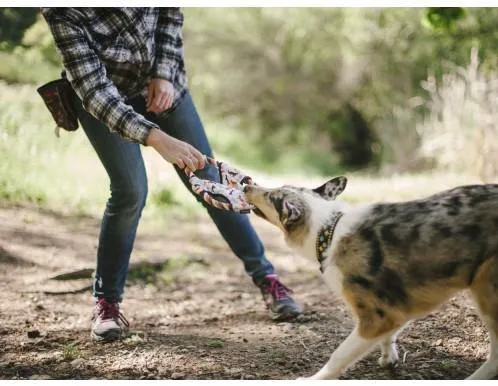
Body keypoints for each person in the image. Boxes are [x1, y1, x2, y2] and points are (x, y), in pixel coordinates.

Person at [41, 7, 302, 342]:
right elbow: (93, 92)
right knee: (129, 192)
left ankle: (268, 280)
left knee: (211, 182)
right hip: (106, 100)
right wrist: (156, 138)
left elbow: (169, 15)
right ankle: (107, 303)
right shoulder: (62, 11)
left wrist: (163, 73)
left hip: (166, 87)